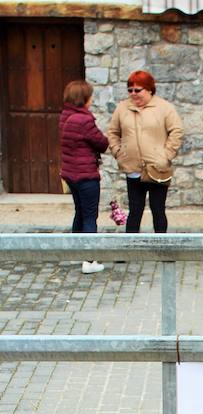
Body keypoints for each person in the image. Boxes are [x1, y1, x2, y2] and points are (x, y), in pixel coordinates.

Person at [107, 70, 183, 234]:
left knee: (158, 210)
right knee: (135, 210)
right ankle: (130, 249)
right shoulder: (122, 108)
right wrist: (118, 153)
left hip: (157, 168)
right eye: (130, 90)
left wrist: (166, 155)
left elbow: (176, 132)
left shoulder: (164, 108)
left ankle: (162, 249)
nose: (133, 94)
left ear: (149, 89)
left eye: (137, 90)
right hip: (133, 168)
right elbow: (113, 132)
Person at [59, 79, 108, 275]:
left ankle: (76, 249)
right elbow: (101, 143)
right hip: (85, 174)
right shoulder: (84, 120)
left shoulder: (65, 115)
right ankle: (89, 260)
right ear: (84, 98)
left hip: (70, 173)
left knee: (79, 211)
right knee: (89, 216)